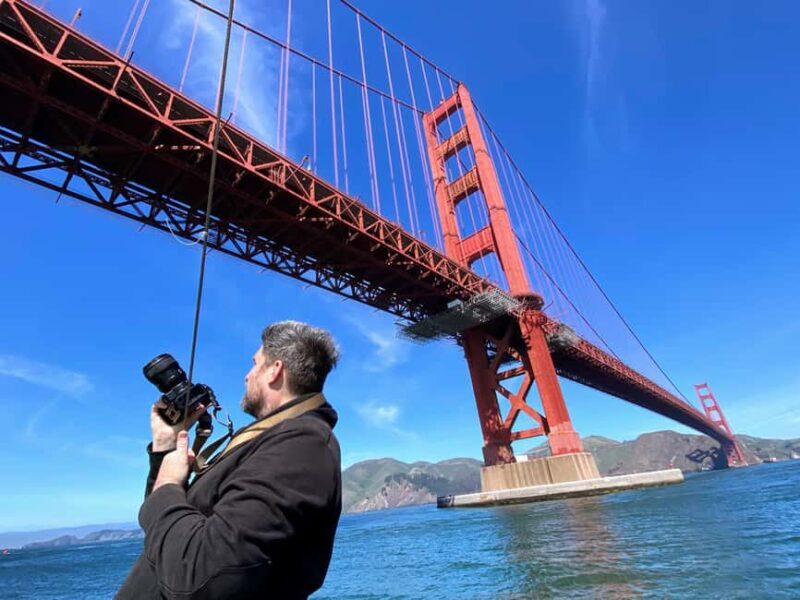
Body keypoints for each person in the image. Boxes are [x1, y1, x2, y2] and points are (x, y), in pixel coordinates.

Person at [117, 321, 342, 599]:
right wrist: (165, 447)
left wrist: (167, 486)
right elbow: (162, 528)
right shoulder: (268, 440)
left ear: (275, 370)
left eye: (254, 364)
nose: (246, 376)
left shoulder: (302, 444)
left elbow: (202, 579)